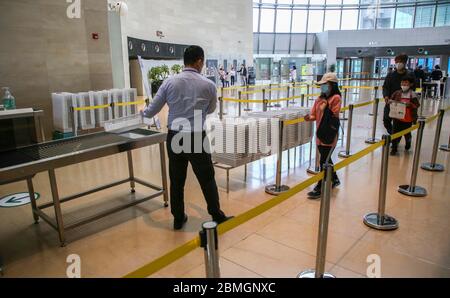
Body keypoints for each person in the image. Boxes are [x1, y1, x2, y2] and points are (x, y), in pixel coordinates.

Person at [142, 45, 233, 230]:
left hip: (175, 135)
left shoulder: (169, 82)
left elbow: (152, 110)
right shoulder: (208, 84)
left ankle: (178, 218)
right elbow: (212, 109)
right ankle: (216, 214)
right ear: (199, 61)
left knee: (177, 180)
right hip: (196, 137)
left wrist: (141, 113)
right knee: (207, 178)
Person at [304, 73, 342, 199]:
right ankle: (335, 178)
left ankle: (320, 186)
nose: (323, 87)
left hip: (330, 134)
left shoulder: (335, 98)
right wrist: (309, 118)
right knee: (326, 159)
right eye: (322, 85)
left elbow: (335, 114)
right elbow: (314, 115)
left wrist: (326, 107)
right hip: (320, 134)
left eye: (325, 85)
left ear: (332, 85)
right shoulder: (319, 99)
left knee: (323, 161)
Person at [382, 54, 415, 135]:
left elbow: (413, 88)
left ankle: (401, 139)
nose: (398, 63)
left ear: (405, 62)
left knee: (401, 123)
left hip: (403, 103)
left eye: (400, 61)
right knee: (386, 120)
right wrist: (386, 96)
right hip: (391, 102)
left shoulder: (410, 75)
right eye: (397, 61)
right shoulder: (390, 75)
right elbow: (385, 87)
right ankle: (394, 135)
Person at [389, 75, 420, 156]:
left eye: (406, 83)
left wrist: (410, 104)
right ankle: (394, 148)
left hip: (408, 118)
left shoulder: (412, 94)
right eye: (402, 83)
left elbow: (417, 105)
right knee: (395, 133)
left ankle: (408, 142)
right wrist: (389, 102)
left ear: (411, 84)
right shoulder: (397, 93)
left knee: (406, 133)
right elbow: (391, 100)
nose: (404, 84)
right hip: (397, 117)